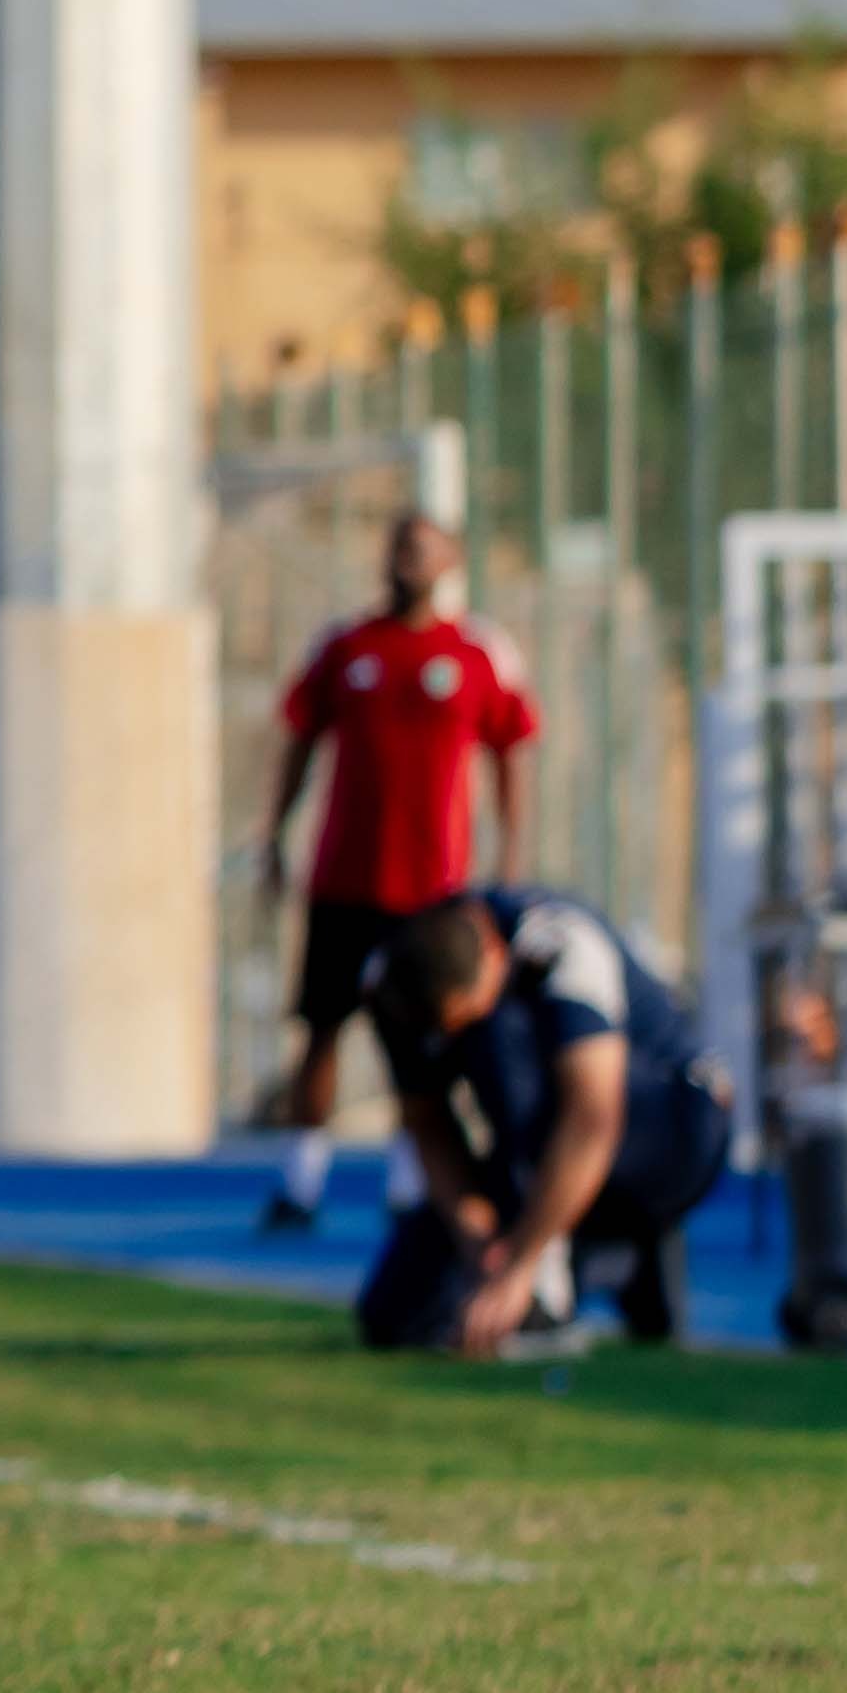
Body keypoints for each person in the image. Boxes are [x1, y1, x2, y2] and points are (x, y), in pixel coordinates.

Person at [256, 513, 535, 1238]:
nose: (408, 558)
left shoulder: (477, 651)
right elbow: (300, 742)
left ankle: (413, 1187)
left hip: (430, 893)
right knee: (320, 1030)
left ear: (450, 560)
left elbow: (510, 751)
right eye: (399, 545)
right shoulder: (346, 646)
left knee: (421, 1039)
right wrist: (274, 835)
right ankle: (300, 1183)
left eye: (423, 547)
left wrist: (509, 854)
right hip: (343, 881)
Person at [364, 883, 733, 1356]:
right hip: (539, 1145)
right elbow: (427, 1121)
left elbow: (591, 1118)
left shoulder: (560, 944)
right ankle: (615, 1258)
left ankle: (555, 1287)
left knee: (504, 1039)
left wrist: (520, 1261)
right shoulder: (394, 981)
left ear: (494, 953)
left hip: (674, 1126)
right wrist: (476, 1236)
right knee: (399, 1315)